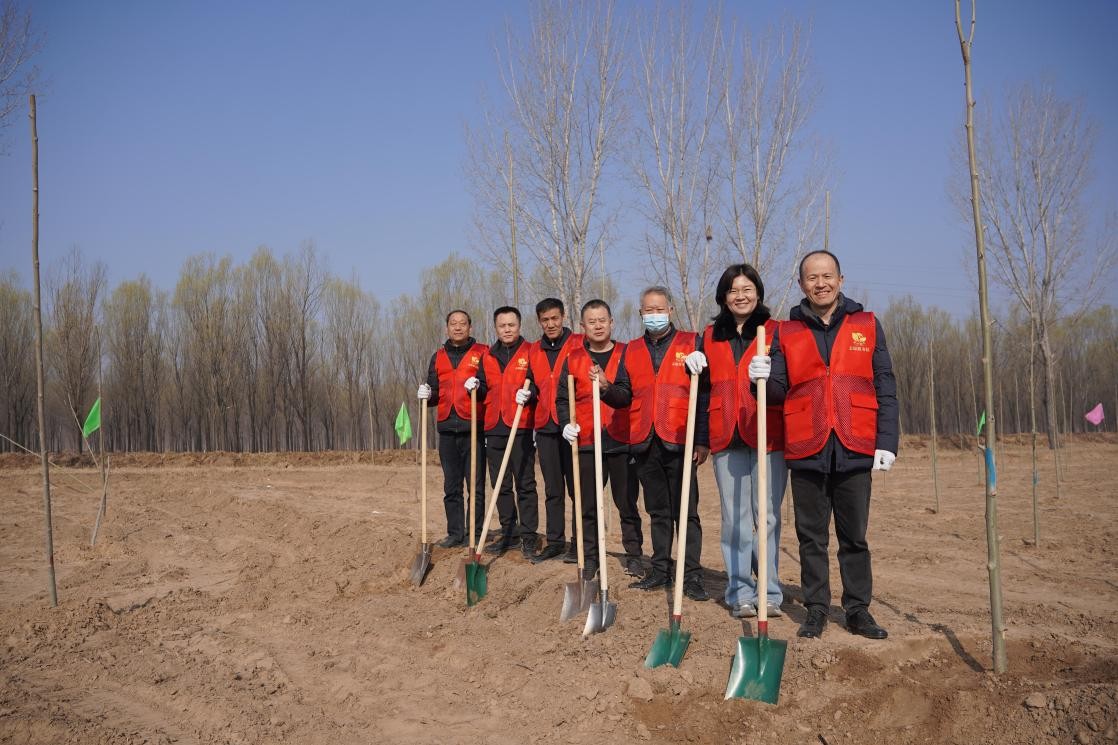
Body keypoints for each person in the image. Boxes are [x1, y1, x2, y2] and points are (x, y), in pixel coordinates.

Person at [751, 250, 898, 640]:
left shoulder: (866, 324)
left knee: (854, 537)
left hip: (855, 442)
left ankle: (857, 610)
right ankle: (816, 609)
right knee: (811, 536)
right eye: (812, 278)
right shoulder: (785, 331)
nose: (821, 283)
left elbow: (884, 383)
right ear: (801, 285)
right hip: (806, 445)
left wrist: (887, 441)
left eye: (827, 276)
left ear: (841, 279)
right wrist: (760, 378)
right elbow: (778, 390)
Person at [687, 264, 787, 619]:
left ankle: (770, 592)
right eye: (733, 290)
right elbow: (701, 395)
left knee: (769, 518)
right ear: (723, 297)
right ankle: (740, 590)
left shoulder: (776, 332)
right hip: (725, 435)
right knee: (736, 520)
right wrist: (700, 439)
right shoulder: (710, 336)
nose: (740, 295)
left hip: (768, 437)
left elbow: (786, 384)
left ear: (757, 292)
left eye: (746, 289)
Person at [625, 286, 709, 602]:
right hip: (645, 440)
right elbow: (624, 392)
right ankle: (659, 570)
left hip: (680, 439)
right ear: (640, 313)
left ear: (670, 310)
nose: (654, 315)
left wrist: (701, 439)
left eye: (659, 309)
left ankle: (691, 575)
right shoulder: (631, 350)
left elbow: (704, 396)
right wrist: (605, 388)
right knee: (658, 511)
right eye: (648, 310)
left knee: (686, 513)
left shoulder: (692, 344)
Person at [555, 299, 644, 579]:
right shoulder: (573, 360)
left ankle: (634, 556)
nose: (597, 325)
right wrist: (565, 424)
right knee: (588, 504)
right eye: (591, 321)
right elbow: (561, 399)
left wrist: (607, 387)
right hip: (587, 442)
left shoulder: (627, 354)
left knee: (626, 502)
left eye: (602, 320)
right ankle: (590, 557)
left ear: (611, 322)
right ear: (582, 327)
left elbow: (632, 395)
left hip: (620, 440)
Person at [418, 310, 489, 548]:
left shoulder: (482, 353)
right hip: (447, 428)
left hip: (473, 427)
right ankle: (455, 533)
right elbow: (435, 392)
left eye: (462, 324)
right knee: (451, 486)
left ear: (470, 327)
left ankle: (475, 533)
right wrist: (427, 395)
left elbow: (488, 388)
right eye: (453, 324)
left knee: (476, 486)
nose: (458, 328)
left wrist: (478, 386)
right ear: (446, 328)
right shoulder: (437, 357)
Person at [480, 306, 540, 559]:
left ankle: (528, 536)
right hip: (494, 426)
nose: (507, 329)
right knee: (500, 485)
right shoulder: (487, 356)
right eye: (502, 325)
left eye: (511, 325)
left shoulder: (531, 352)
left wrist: (531, 393)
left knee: (525, 483)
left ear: (519, 326)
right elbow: (483, 387)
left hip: (521, 426)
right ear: (496, 328)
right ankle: (509, 532)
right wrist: (475, 386)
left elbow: (539, 385)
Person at [528, 298, 583, 563]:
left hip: (571, 426)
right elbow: (531, 385)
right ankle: (555, 540)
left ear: (563, 317)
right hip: (546, 427)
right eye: (545, 320)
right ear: (539, 321)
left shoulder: (579, 344)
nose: (550, 324)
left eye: (554, 318)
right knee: (553, 488)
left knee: (577, 488)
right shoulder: (534, 351)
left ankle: (579, 542)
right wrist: (524, 394)